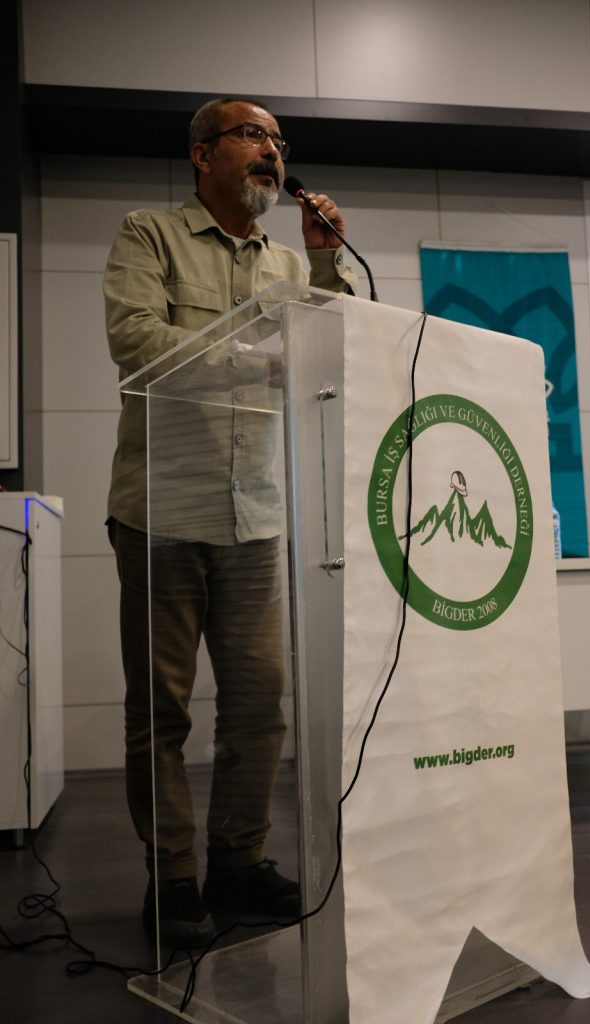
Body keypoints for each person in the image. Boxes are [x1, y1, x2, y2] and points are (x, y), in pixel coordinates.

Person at [104, 96, 356, 947]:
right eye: (252, 135)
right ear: (203, 154)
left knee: (258, 707)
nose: (271, 151)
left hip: (257, 513)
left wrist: (324, 262)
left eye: (278, 140)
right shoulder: (150, 235)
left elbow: (328, 349)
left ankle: (239, 862)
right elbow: (137, 344)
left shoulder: (288, 262)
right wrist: (257, 360)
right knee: (161, 713)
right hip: (162, 511)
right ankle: (173, 877)